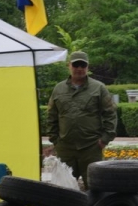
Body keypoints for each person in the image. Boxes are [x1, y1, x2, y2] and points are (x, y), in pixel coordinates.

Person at [46, 51, 117, 190]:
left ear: (87, 67)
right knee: (63, 189)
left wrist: (105, 139)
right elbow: (51, 115)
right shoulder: (58, 89)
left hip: (91, 148)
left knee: (96, 188)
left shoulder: (99, 88)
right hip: (65, 148)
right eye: (76, 64)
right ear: (69, 66)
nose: (79, 68)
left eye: (82, 65)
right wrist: (55, 140)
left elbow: (110, 113)